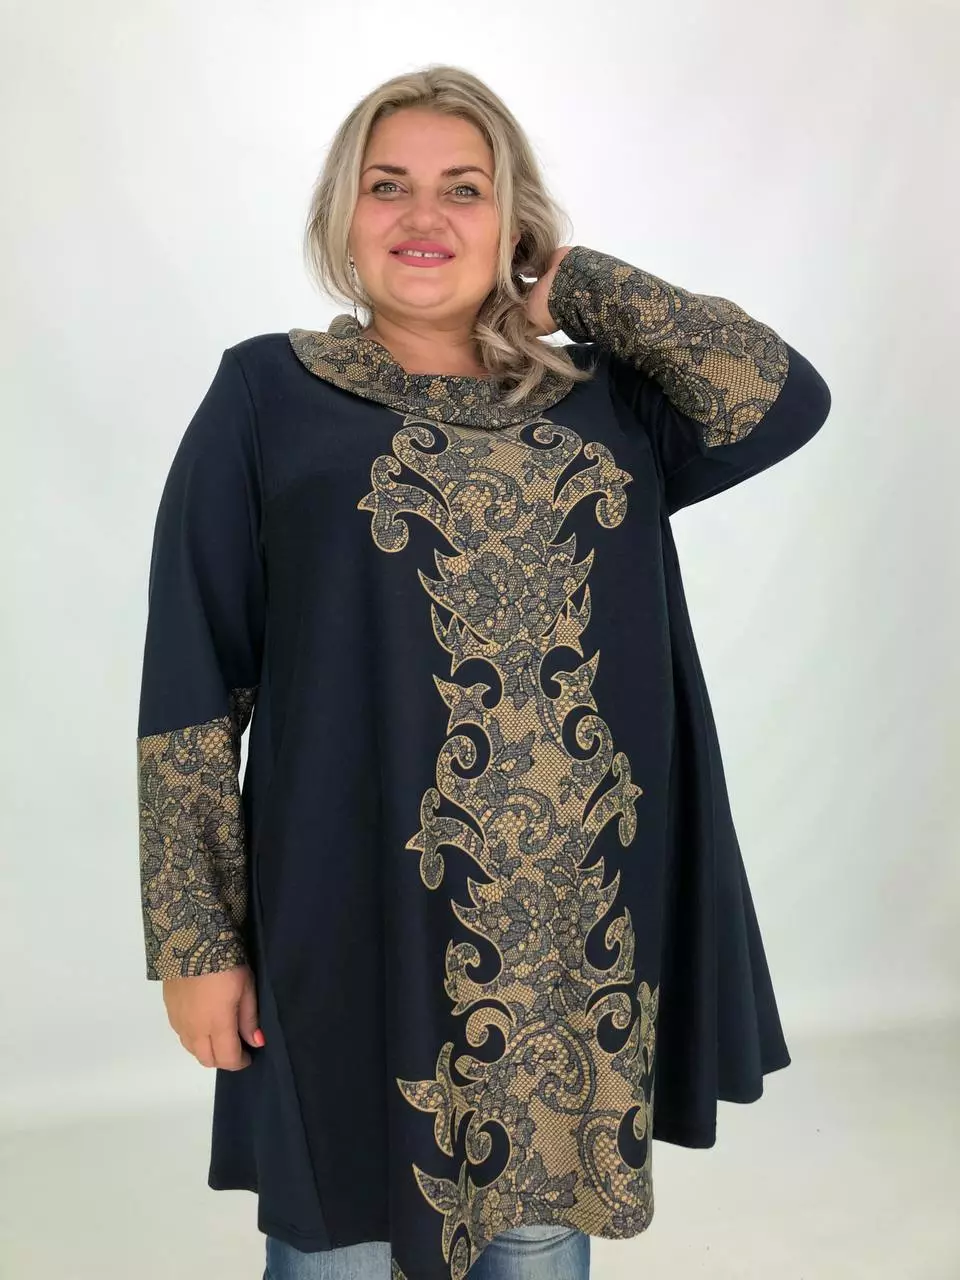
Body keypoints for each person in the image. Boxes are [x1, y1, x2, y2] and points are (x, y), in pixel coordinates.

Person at [135, 64, 831, 1280]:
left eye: (466, 189)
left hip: (570, 942)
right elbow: (195, 679)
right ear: (342, 214)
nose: (424, 216)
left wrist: (584, 283)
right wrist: (196, 937)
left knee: (537, 1237)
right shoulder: (266, 395)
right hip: (347, 912)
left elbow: (782, 397)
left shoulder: (607, 404)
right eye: (387, 185)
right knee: (340, 1236)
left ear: (514, 221)